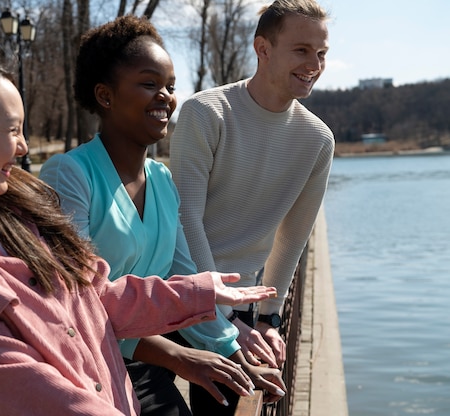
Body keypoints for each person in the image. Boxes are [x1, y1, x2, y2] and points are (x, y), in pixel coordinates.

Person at [0, 46, 278, 416]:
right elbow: (26, 392)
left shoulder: (17, 206)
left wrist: (199, 293)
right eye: (12, 130)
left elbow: (93, 298)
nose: (23, 147)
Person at [39, 15, 285, 416]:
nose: (166, 97)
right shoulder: (68, 175)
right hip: (86, 370)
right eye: (149, 84)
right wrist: (178, 356)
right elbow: (79, 302)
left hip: (150, 368)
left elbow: (183, 282)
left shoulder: (162, 178)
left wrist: (235, 350)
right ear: (105, 95)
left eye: (170, 86)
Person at [169, 0, 335, 413]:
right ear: (263, 49)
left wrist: (268, 320)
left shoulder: (318, 140)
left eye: (321, 53)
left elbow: (293, 237)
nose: (314, 64)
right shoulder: (206, 113)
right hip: (174, 293)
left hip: (239, 304)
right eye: (301, 50)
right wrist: (222, 318)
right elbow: (185, 219)